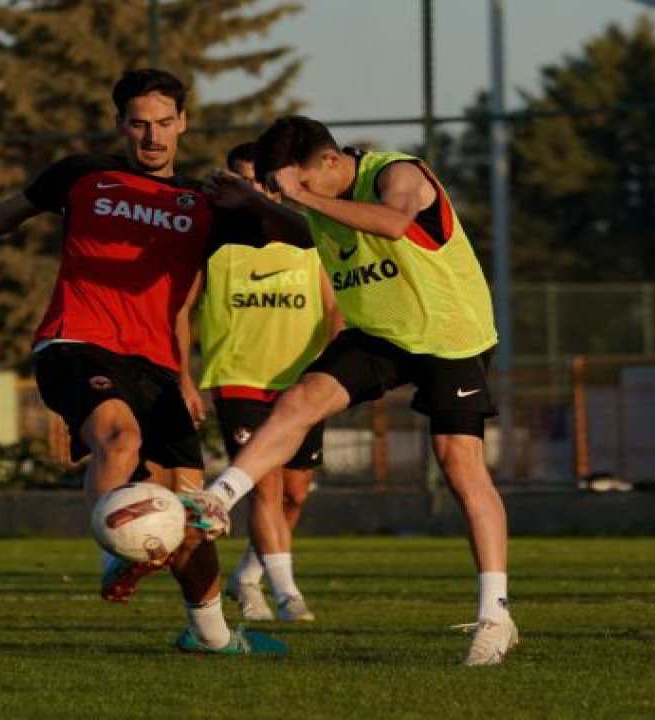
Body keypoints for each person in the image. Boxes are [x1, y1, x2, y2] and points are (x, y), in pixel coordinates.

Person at [0, 69, 284, 655]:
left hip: (157, 367)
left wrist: (254, 199)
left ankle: (212, 637)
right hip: (75, 342)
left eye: (164, 122)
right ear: (119, 124)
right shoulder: (84, 174)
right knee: (119, 436)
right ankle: (112, 552)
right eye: (138, 123)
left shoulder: (206, 204)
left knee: (188, 521)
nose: (152, 136)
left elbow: (301, 235)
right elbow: (6, 214)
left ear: (183, 124)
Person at [198, 115, 518, 665]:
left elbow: (393, 224)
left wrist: (301, 198)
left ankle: (496, 615)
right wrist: (254, 203)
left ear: (328, 162)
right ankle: (218, 498)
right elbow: (304, 232)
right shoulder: (321, 200)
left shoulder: (397, 173)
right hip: (382, 333)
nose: (296, 197)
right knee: (302, 400)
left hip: (450, 334)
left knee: (459, 464)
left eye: (300, 184)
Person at [182, 141, 341, 623]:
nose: (256, 191)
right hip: (239, 379)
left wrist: (335, 370)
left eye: (263, 181)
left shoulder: (308, 243)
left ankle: (248, 577)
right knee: (265, 489)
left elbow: (335, 311)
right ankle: (289, 595)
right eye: (244, 181)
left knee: (294, 496)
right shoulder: (217, 246)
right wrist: (183, 377)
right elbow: (180, 310)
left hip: (302, 384)